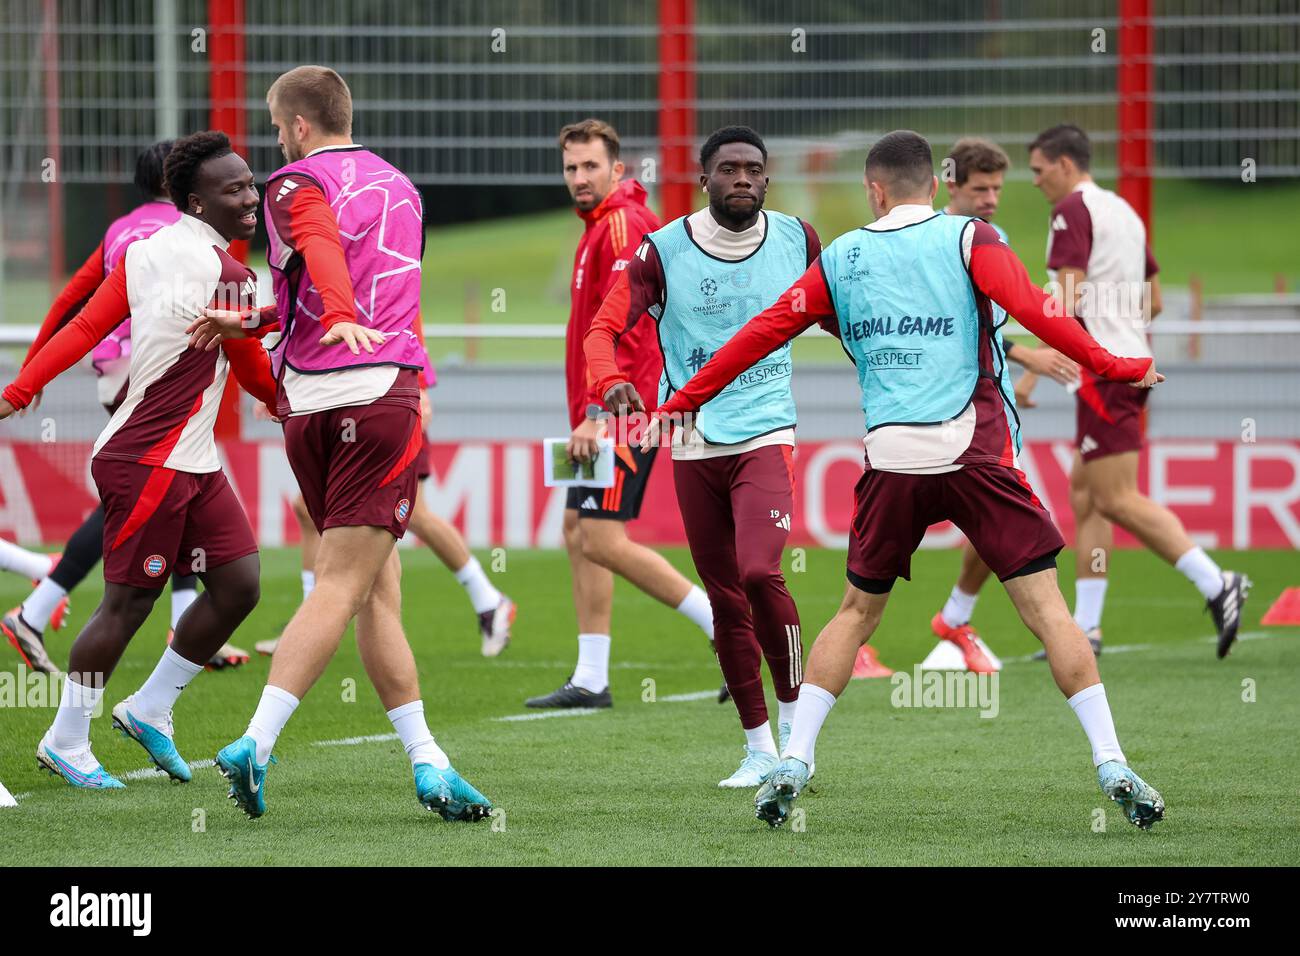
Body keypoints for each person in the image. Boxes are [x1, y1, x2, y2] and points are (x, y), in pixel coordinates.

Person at [647, 130, 1167, 831]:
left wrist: (682, 400)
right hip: (977, 455)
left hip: (893, 463)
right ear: (936, 184)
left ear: (873, 190)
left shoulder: (842, 256)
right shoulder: (973, 238)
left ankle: (794, 759)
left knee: (857, 614)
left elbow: (761, 332)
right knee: (1047, 611)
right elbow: (1043, 316)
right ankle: (1111, 762)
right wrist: (1118, 366)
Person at [192, 66, 492, 820]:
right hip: (373, 396)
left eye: (275, 127)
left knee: (371, 589)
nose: (275, 144)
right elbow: (333, 257)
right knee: (343, 583)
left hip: (311, 407)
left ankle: (429, 762)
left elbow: (314, 264)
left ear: (296, 125)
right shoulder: (401, 187)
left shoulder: (291, 182)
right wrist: (342, 310)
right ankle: (255, 744)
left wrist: (267, 320)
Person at [0, 131, 274, 789]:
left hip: (189, 457)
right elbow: (253, 353)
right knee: (127, 604)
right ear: (195, 202)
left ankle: (150, 707)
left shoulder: (145, 252)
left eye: (250, 181)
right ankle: (66, 738)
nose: (251, 194)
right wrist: (290, 400)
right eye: (234, 187)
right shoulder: (231, 274)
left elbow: (83, 327)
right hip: (150, 457)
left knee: (238, 584)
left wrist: (19, 390)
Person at [588, 126, 817, 787]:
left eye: (753, 169)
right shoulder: (662, 252)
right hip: (689, 438)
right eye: (728, 169)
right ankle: (758, 748)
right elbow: (604, 330)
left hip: (766, 431)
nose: (742, 178)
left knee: (757, 573)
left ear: (767, 180)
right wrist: (609, 384)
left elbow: (843, 314)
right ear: (705, 180)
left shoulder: (799, 240)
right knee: (723, 594)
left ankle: (801, 730)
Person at [1028, 124, 1249, 659]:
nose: (1034, 182)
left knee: (1114, 497)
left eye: (1037, 170)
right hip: (1128, 363)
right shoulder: (1122, 211)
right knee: (1086, 493)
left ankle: (1218, 583)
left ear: (1063, 163)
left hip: (1105, 372)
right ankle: (1088, 627)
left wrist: (1034, 367)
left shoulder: (1071, 212)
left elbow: (1068, 295)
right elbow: (1154, 301)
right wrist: (1118, 326)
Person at [524, 118, 722, 710]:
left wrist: (595, 412)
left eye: (590, 167)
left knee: (602, 540)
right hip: (609, 410)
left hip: (624, 411)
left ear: (617, 169)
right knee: (576, 532)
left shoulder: (621, 225)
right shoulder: (602, 226)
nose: (579, 178)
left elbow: (629, 332)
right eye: (570, 168)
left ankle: (726, 626)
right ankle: (590, 678)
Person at [909, 137, 1085, 675]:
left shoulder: (996, 237)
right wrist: (1033, 354)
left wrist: (1023, 377)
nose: (991, 198)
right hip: (950, 408)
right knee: (912, 529)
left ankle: (953, 618)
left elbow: (1004, 314)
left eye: (998, 188)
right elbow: (954, 330)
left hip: (992, 409)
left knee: (993, 525)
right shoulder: (933, 240)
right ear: (952, 186)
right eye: (981, 188)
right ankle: (919, 623)